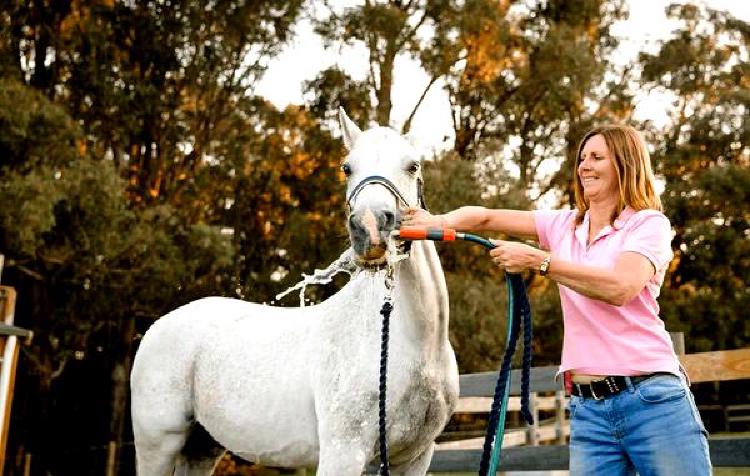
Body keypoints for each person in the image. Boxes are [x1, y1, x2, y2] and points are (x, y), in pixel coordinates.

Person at [402, 124, 711, 475]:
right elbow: (485, 216)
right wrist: (438, 221)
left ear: (625, 164)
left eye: (597, 157)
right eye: (582, 158)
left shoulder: (647, 225)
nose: (584, 166)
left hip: (651, 399)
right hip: (589, 411)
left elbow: (620, 287)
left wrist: (539, 261)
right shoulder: (563, 225)